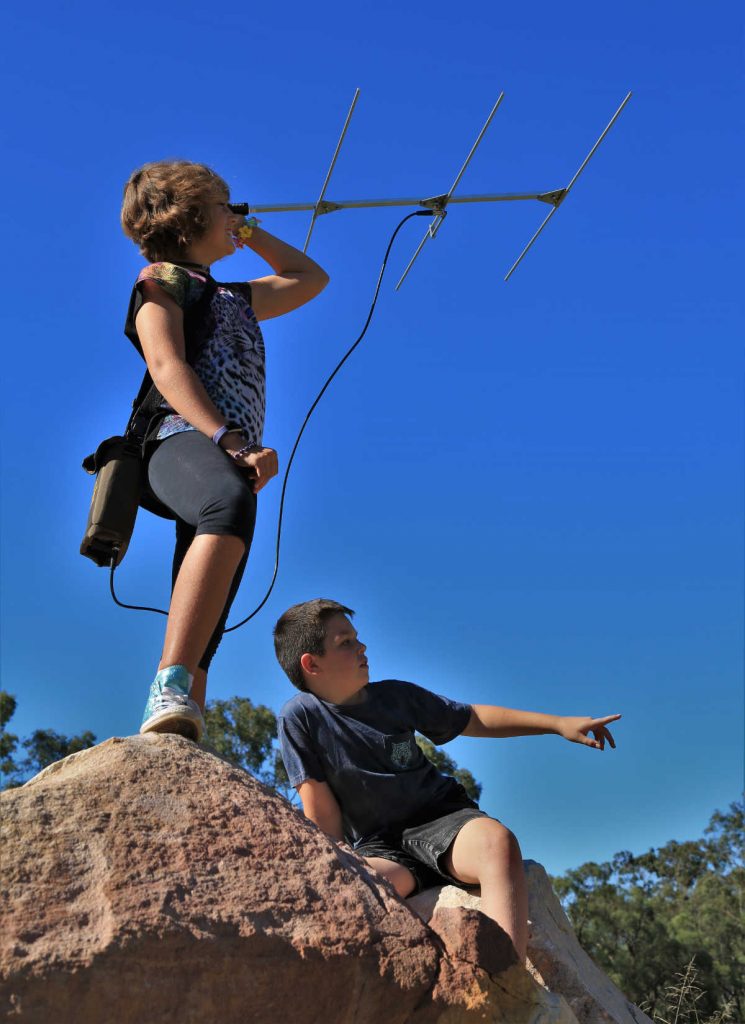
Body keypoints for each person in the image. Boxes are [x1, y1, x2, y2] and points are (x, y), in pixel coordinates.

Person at [274, 598, 621, 961]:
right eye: (345, 642)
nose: (362, 647)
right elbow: (321, 812)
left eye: (357, 638)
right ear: (312, 664)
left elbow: (472, 718)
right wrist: (333, 872)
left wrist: (558, 724)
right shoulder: (300, 717)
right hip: (382, 848)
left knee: (497, 844)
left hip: (444, 823)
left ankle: (506, 974)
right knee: (353, 892)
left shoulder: (396, 696)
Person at [120, 160, 329, 742]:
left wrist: (248, 229)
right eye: (223, 205)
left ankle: (181, 720)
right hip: (178, 437)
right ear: (189, 218)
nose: (233, 212)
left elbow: (308, 277)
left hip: (226, 455)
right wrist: (228, 439)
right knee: (228, 504)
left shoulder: (233, 295)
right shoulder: (162, 279)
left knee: (214, 593)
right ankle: (168, 684)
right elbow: (166, 365)